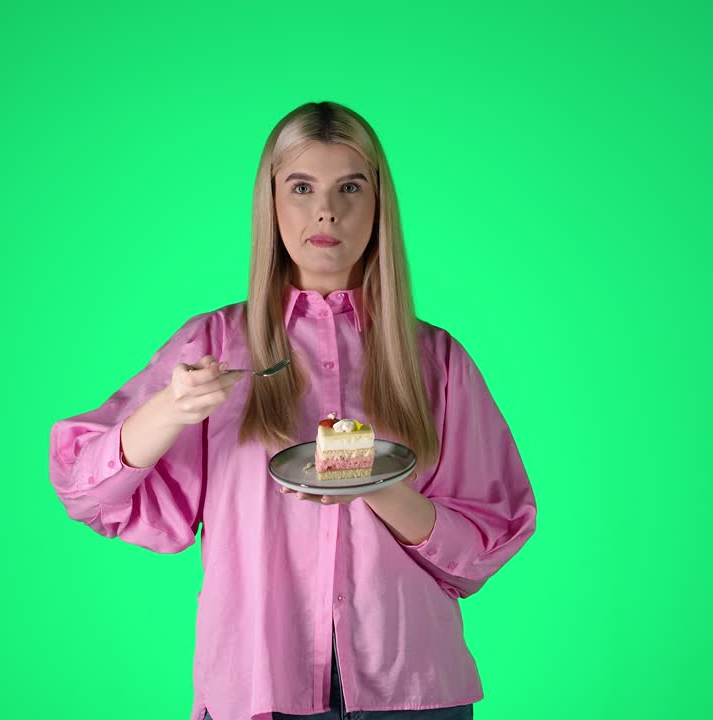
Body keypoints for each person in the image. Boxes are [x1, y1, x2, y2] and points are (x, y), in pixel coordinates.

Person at [48, 101, 537, 720]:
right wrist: (170, 410)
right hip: (258, 687)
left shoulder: (437, 359)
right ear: (271, 203)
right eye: (302, 187)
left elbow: (485, 546)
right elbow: (84, 491)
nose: (326, 210)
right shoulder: (214, 345)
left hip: (413, 688)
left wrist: (372, 483)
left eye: (349, 187)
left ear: (379, 204)